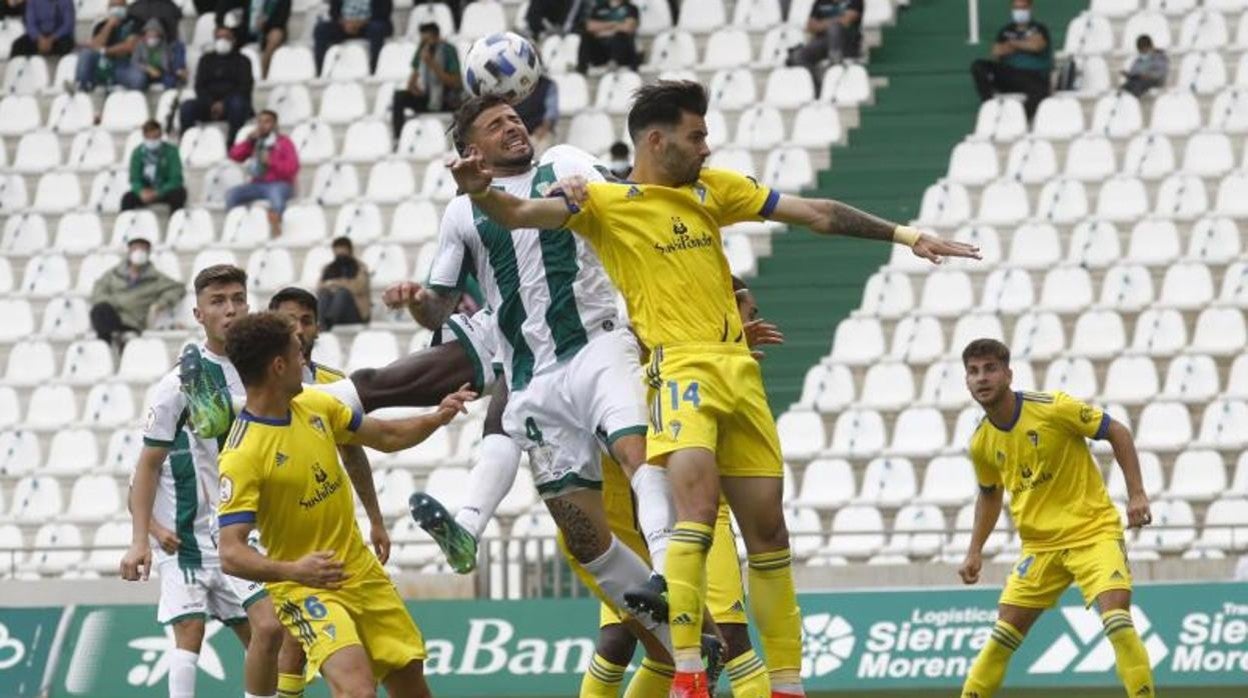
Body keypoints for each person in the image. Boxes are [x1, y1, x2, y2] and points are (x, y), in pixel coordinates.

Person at [449, 79, 979, 697]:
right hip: (678, 372)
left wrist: (907, 236)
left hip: (739, 375)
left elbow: (816, 213)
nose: (706, 146)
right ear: (656, 139)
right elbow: (518, 214)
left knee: (771, 535)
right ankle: (691, 676)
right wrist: (480, 191)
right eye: (695, 135)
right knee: (694, 515)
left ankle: (788, 685)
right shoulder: (603, 202)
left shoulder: (714, 189)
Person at [394, 103, 679, 662]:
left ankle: (667, 572)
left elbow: (632, 202)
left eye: (514, 117)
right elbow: (439, 310)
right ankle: (683, 646)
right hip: (533, 381)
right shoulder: (461, 214)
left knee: (634, 453)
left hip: (596, 346)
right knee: (583, 534)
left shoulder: (565, 162)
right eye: (496, 124)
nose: (513, 126)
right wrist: (414, 303)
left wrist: (596, 189)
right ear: (472, 149)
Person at [216, 311, 475, 698]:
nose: (305, 360)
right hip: (307, 588)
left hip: (361, 570)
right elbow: (230, 553)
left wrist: (436, 418)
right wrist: (294, 570)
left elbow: (385, 435)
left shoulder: (316, 405)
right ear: (278, 365)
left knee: (411, 684)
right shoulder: (242, 453)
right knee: (358, 691)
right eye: (297, 352)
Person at [118, 265, 287, 698]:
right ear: (198, 314)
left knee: (270, 638)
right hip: (200, 537)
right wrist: (142, 539)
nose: (230, 309)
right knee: (194, 630)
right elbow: (147, 467)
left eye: (237, 299)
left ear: (249, 304)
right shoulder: (177, 385)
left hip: (255, 529)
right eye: (218, 301)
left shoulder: (272, 369)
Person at [957, 338, 1155, 698]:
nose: (981, 378)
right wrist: (974, 551)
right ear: (967, 381)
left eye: (990, 369)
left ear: (1008, 374)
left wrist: (1137, 493)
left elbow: (1117, 432)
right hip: (1039, 546)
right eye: (973, 371)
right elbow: (989, 494)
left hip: (1093, 532)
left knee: (1117, 621)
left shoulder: (1052, 408)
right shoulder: (981, 442)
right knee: (1000, 637)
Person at [266, 286, 389, 698]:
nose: (299, 329)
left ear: (318, 326)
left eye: (306, 320)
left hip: (326, 529)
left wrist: (374, 519)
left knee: (297, 638)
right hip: (274, 530)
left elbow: (355, 456)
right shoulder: (255, 384)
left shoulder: (335, 386)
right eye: (288, 321)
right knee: (279, 633)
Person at [89, 236, 184, 350]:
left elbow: (177, 288)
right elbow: (99, 289)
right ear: (129, 252)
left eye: (142, 249)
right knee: (100, 310)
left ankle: (119, 341)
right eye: (135, 249)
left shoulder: (155, 278)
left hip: (133, 320)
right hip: (112, 315)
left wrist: (161, 303)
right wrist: (115, 302)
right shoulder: (115, 274)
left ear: (148, 253)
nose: (138, 253)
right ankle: (107, 346)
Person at [970, 0, 1053, 120]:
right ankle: (989, 105)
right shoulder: (1005, 30)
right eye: (1016, 8)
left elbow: (1037, 46)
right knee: (978, 66)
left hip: (1034, 76)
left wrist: (1013, 44)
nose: (1019, 12)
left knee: (1041, 91)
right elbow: (997, 51)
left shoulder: (1039, 28)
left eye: (1023, 8)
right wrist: (1025, 44)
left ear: (1030, 8)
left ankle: (1017, 120)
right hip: (1010, 74)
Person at [225, 110, 299, 238]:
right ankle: (236, 224)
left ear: (275, 125)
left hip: (280, 184)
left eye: (267, 122)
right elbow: (234, 156)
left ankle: (276, 226)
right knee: (232, 195)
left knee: (276, 196)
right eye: (260, 121)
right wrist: (248, 141)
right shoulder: (254, 142)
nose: (262, 125)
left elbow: (292, 168)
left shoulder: (284, 142)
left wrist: (271, 162)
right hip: (257, 184)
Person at [180, 26, 254, 145]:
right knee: (187, 107)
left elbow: (245, 87)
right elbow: (199, 86)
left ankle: (233, 143)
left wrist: (223, 103)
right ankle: (187, 143)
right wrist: (211, 103)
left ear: (233, 40)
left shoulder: (243, 61)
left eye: (226, 37)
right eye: (219, 37)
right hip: (208, 105)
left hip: (233, 104)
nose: (222, 41)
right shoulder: (206, 60)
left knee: (238, 103)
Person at [390, 22, 464, 142]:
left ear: (436, 37)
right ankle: (398, 138)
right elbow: (411, 82)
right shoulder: (421, 50)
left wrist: (431, 63)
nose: (424, 43)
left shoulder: (448, 50)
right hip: (427, 97)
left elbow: (455, 83)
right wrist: (415, 89)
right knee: (399, 96)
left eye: (427, 39)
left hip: (446, 98)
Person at [789, 0, 862, 85]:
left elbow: (847, 21)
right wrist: (836, 21)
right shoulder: (820, 2)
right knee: (798, 56)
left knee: (834, 29)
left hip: (847, 42)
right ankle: (818, 84)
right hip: (823, 43)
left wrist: (822, 24)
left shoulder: (854, 1)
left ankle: (835, 63)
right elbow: (810, 26)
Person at [75, 0, 141, 92]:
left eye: (119, 6)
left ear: (126, 7)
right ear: (108, 8)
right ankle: (81, 86)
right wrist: (109, 26)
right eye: (113, 6)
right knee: (86, 53)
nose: (116, 9)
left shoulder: (135, 22)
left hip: (125, 65)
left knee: (137, 79)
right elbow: (95, 47)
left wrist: (105, 51)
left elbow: (129, 47)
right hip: (103, 66)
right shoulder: (101, 25)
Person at [312, 0, 392, 75]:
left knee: (377, 28)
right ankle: (319, 71)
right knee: (321, 29)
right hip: (345, 25)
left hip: (369, 24)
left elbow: (383, 13)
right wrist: (344, 23)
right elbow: (334, 12)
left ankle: (374, 70)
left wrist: (359, 23)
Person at [123, 121, 188, 212]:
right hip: (145, 191)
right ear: (144, 136)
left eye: (156, 137)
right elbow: (134, 179)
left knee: (178, 194)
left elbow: (175, 179)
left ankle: (175, 224)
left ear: (161, 136)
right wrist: (140, 191)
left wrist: (158, 192)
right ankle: (126, 224)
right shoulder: (137, 153)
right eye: (149, 138)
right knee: (128, 198)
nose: (153, 141)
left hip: (165, 189)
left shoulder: (171, 152)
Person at [215, 0, 290, 78]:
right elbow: (222, 10)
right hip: (243, 32)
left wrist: (266, 24)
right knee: (223, 33)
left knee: (276, 35)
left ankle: (263, 74)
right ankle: (225, 75)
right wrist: (225, 27)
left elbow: (281, 19)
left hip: (267, 32)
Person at [317, 237, 371, 330]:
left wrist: (337, 283)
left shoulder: (360, 267)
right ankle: (322, 323)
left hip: (355, 314)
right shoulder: (328, 268)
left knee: (342, 293)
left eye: (343, 250)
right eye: (337, 251)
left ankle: (328, 322)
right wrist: (338, 284)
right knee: (324, 293)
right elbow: (320, 286)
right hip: (334, 311)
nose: (340, 253)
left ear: (349, 250)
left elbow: (358, 287)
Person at [576, 0, 640, 73]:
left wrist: (602, 31)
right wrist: (614, 24)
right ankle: (582, 67)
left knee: (620, 35)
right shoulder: (599, 8)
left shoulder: (631, 8)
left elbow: (628, 27)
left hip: (622, 51)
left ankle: (614, 62)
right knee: (585, 35)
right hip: (601, 50)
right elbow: (590, 26)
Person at [126, 18, 187, 90]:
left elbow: (168, 64)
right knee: (139, 79)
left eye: (154, 32)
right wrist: (147, 68)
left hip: (161, 73)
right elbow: (134, 61)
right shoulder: (140, 45)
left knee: (170, 80)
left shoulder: (165, 46)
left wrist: (177, 71)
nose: (151, 35)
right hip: (145, 73)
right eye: (149, 32)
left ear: (159, 33)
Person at [512, 75, 559, 155]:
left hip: (539, 131)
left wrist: (543, 129)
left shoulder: (548, 85)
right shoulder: (511, 84)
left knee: (542, 150)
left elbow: (551, 114)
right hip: (517, 132)